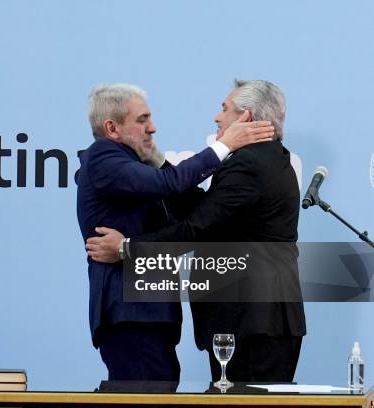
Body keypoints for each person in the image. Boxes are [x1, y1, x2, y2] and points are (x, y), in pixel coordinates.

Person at [86, 80, 306, 383]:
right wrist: (162, 162)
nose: (217, 117)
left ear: (246, 118)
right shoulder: (268, 158)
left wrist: (126, 248)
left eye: (224, 109)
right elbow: (206, 210)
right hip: (256, 322)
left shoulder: (249, 165)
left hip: (253, 323)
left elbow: (195, 229)